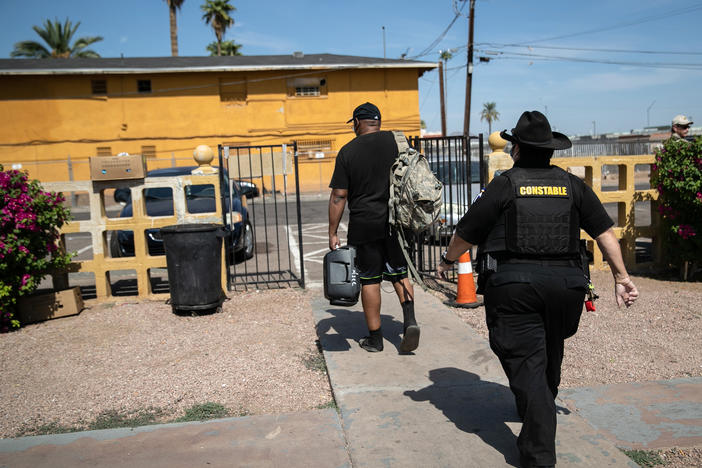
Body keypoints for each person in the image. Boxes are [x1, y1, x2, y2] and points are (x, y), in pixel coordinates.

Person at [436, 110, 639, 468]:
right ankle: (539, 403)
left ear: (516, 149)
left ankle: (539, 454)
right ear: (549, 150)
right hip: (567, 288)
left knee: (527, 362)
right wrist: (622, 278)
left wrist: (449, 261)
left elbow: (467, 233)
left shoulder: (505, 184)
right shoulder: (571, 185)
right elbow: (604, 232)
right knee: (549, 346)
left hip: (515, 288)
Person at [328, 102, 419, 353]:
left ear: (357, 122)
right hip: (397, 222)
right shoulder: (398, 143)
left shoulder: (348, 151)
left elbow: (339, 196)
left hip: (364, 223)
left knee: (370, 280)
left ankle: (375, 339)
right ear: (377, 122)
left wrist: (333, 232)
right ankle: (409, 321)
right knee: (400, 273)